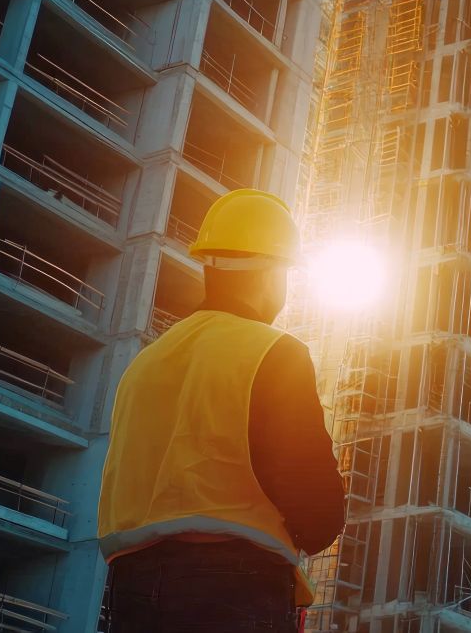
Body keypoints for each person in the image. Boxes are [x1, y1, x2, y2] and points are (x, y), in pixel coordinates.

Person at [98, 189, 345, 632]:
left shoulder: (144, 365)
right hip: (233, 586)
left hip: (130, 588)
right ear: (272, 273)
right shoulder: (274, 353)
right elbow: (318, 509)